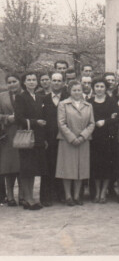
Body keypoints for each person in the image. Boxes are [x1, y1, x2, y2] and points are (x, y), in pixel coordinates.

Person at [56, 80, 95, 206]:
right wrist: (72, 138)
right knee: (68, 169)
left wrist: (83, 136)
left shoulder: (88, 105)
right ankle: (68, 196)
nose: (77, 92)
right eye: (74, 90)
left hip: (83, 141)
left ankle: (77, 195)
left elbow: (92, 123)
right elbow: (61, 123)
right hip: (67, 141)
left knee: (80, 169)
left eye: (79, 90)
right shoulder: (63, 104)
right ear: (69, 91)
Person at [14, 72, 48, 210]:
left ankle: (31, 197)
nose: (32, 82)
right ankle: (27, 198)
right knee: (27, 168)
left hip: (38, 137)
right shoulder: (21, 97)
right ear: (24, 82)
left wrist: (44, 138)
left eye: (34, 79)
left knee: (33, 169)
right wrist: (35, 122)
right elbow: (18, 118)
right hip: (27, 137)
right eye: (29, 80)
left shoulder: (39, 97)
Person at [89, 77, 119, 203]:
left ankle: (103, 192)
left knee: (107, 166)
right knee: (96, 166)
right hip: (94, 138)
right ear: (94, 88)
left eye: (102, 86)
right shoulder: (90, 101)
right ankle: (97, 192)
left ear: (106, 88)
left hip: (108, 138)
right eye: (97, 86)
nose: (99, 89)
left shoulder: (111, 101)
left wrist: (106, 121)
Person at [41, 72, 68, 206]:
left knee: (62, 165)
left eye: (59, 80)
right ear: (50, 82)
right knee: (48, 166)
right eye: (54, 80)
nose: (56, 83)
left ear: (63, 83)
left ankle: (62, 194)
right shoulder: (43, 99)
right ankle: (47, 196)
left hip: (64, 138)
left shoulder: (68, 98)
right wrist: (43, 139)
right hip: (48, 139)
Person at [0, 73, 22, 206]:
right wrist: (6, 118)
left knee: (22, 164)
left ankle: (23, 195)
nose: (12, 84)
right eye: (9, 82)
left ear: (19, 82)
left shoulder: (25, 95)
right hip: (8, 134)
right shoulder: (1, 97)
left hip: (23, 132)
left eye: (14, 81)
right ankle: (10, 196)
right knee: (9, 166)